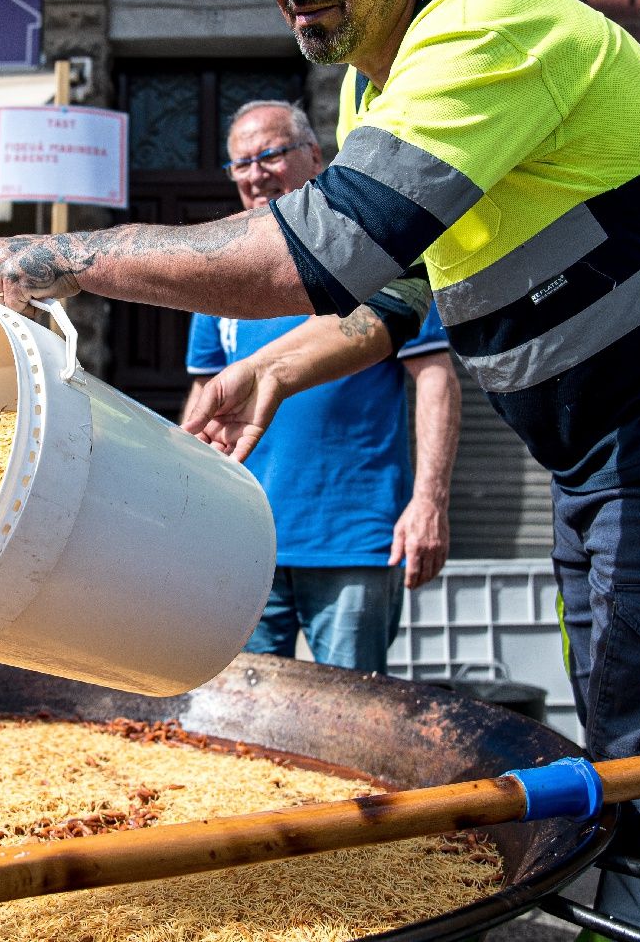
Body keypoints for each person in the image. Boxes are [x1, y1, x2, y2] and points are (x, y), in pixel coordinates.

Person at [0, 0, 640, 939]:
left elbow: (321, 251)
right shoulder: (377, 88)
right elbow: (398, 298)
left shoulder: (491, 28)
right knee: (631, 727)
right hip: (599, 452)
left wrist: (71, 254)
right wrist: (273, 372)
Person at [186, 99, 461, 672]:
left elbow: (435, 378)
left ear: (315, 155)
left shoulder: (370, 253)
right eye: (241, 163)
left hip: (353, 535)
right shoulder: (222, 272)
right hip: (244, 541)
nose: (255, 174)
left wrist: (429, 502)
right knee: (246, 716)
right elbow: (206, 396)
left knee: (351, 715)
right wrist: (185, 500)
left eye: (270, 155)